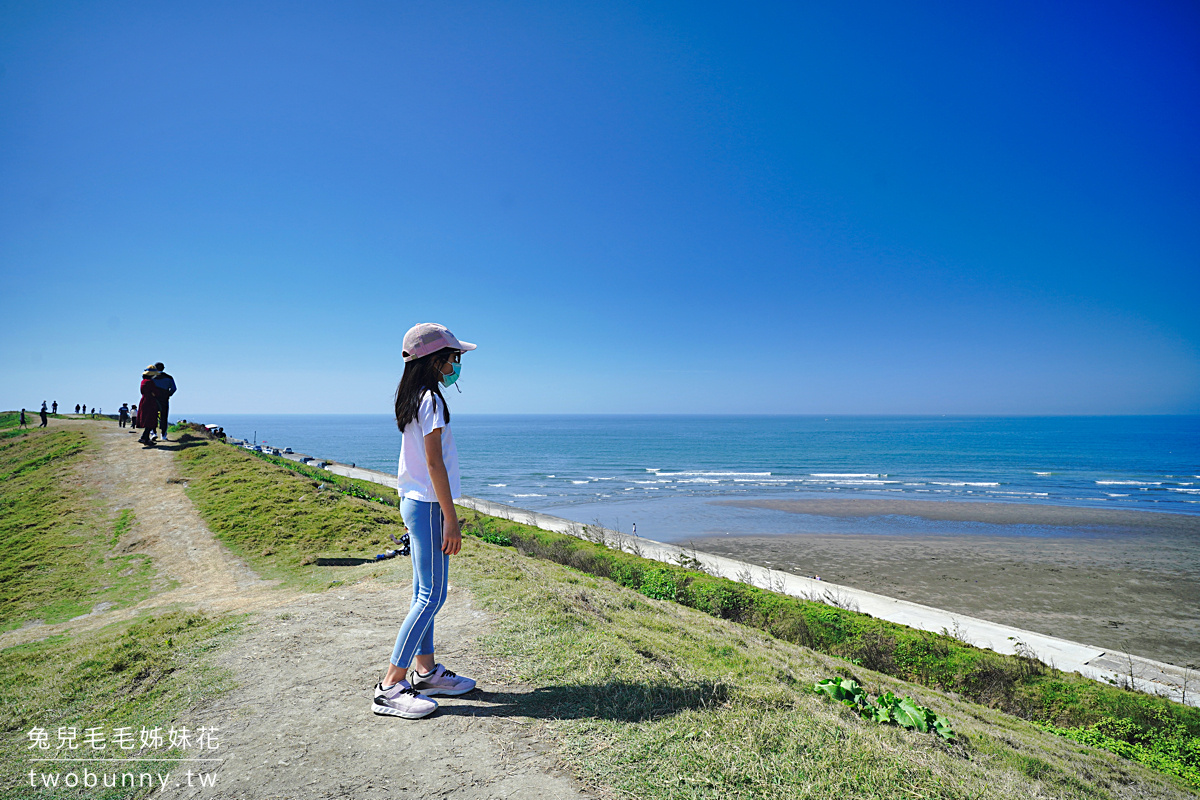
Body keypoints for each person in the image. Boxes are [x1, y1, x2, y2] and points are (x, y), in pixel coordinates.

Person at [373, 323, 478, 720]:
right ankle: (390, 686)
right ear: (435, 360)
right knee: (431, 596)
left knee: (424, 591)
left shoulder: (412, 396)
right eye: (454, 358)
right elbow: (434, 462)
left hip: (414, 501)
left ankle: (426, 671)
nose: (456, 365)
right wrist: (451, 518)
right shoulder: (430, 399)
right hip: (430, 506)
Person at [152, 362, 177, 441]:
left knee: (153, 416)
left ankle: (153, 433)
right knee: (164, 417)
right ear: (163, 368)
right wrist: (168, 395)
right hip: (164, 399)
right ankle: (163, 435)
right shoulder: (169, 377)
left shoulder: (151, 377)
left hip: (153, 399)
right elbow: (173, 389)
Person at [136, 365, 160, 446]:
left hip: (144, 400)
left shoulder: (143, 381)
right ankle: (144, 438)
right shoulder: (150, 382)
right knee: (151, 420)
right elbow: (156, 393)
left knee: (148, 420)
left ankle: (145, 438)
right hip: (150, 402)